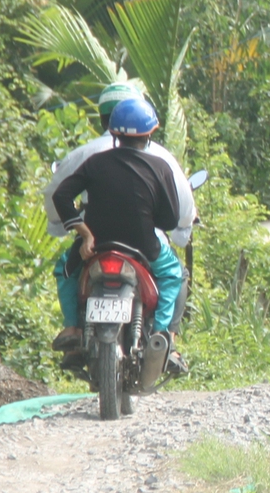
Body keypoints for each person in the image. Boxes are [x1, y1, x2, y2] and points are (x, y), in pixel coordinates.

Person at [42, 82, 194, 352]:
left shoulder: (94, 161)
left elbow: (61, 196)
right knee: (173, 275)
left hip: (96, 245)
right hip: (144, 247)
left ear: (112, 131)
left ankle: (72, 327)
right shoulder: (161, 165)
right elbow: (171, 220)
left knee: (64, 269)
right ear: (149, 134)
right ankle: (162, 333)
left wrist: (85, 234)